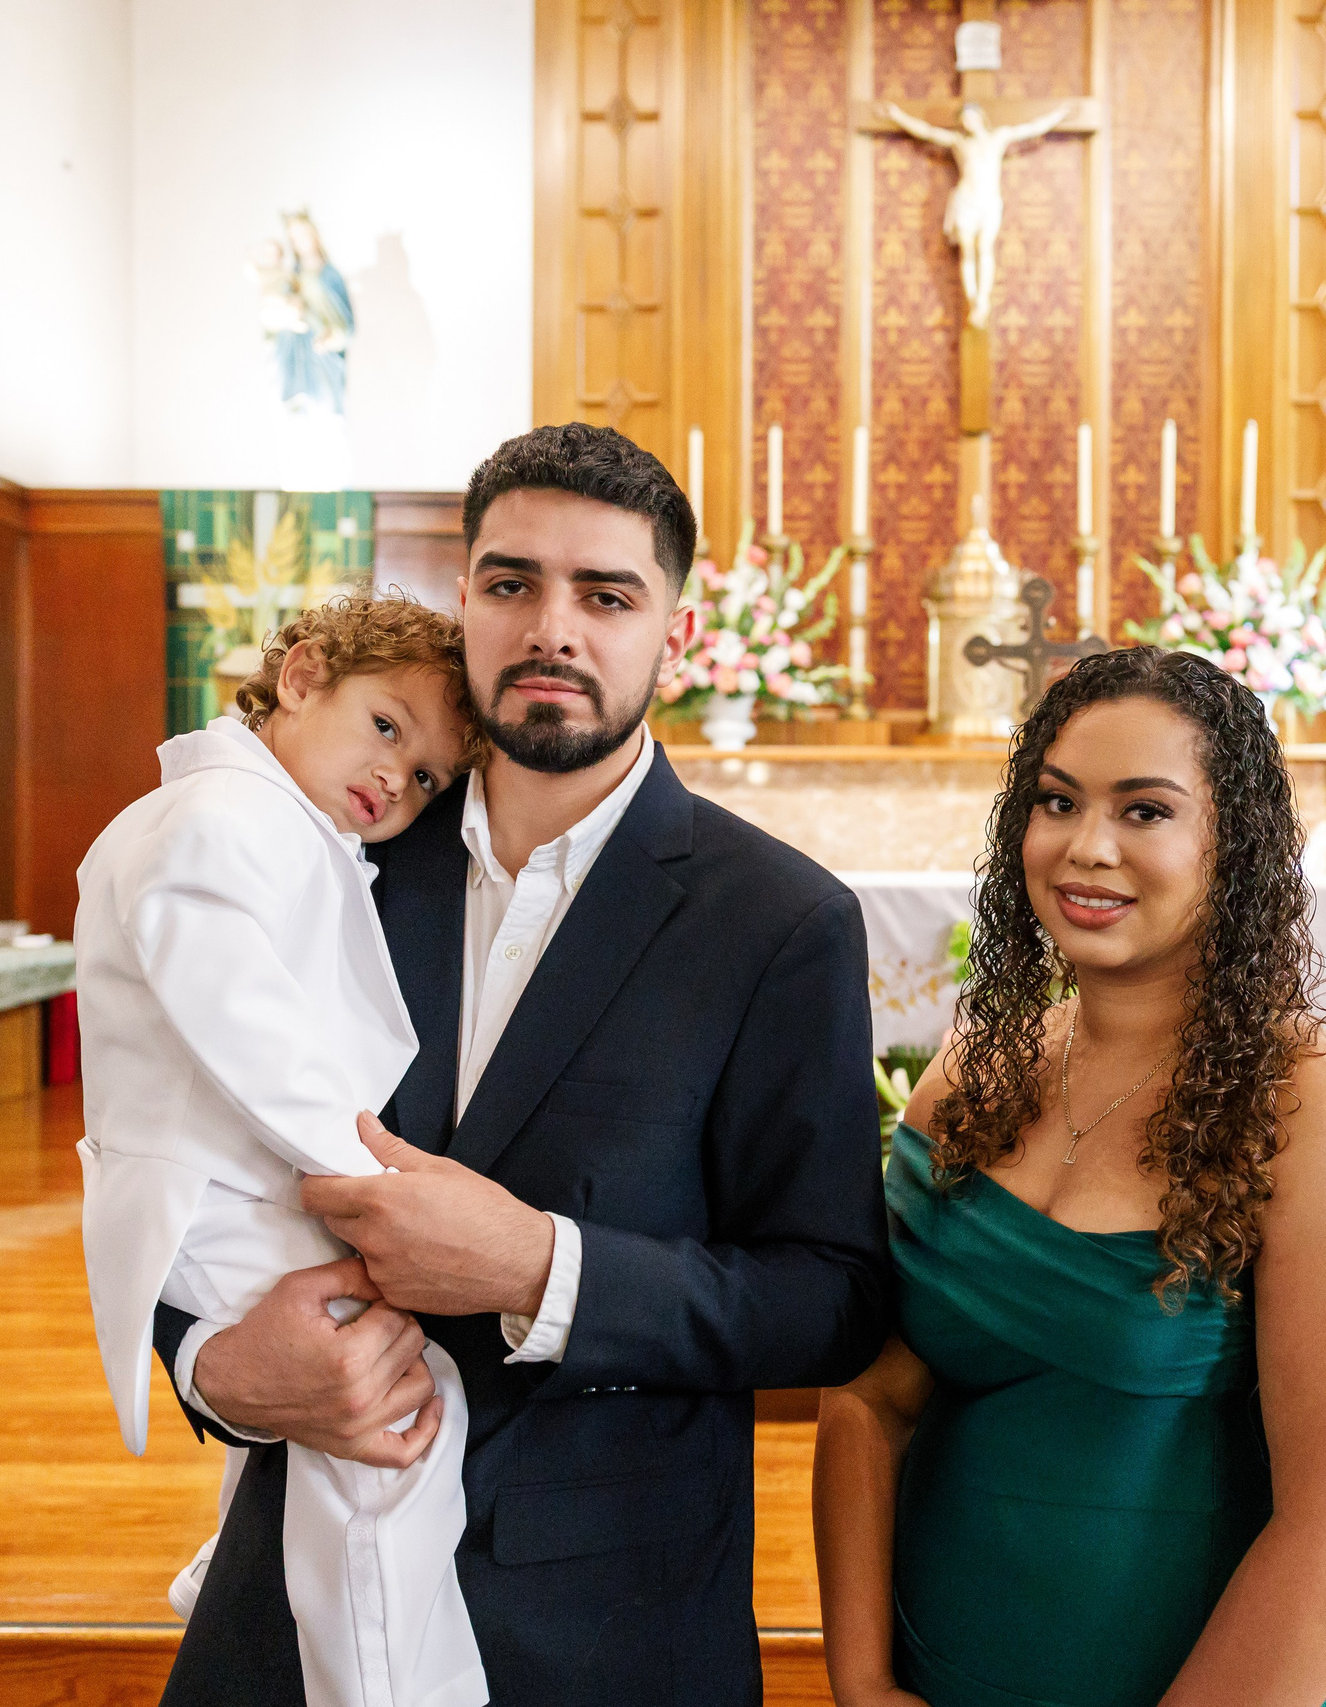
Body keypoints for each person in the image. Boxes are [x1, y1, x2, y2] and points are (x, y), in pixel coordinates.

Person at [147, 422, 893, 1707]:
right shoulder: (332, 852)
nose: (554, 627)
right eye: (512, 583)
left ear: (673, 626)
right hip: (299, 1602)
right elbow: (171, 1162)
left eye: (605, 594)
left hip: (606, 1619)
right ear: (465, 602)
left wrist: (541, 1269)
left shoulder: (777, 923)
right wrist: (216, 1366)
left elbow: (828, 1299)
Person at [813, 648, 1326, 1707]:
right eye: (1057, 802)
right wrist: (862, 1680)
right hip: (939, 1668)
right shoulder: (971, 1074)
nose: (1084, 848)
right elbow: (871, 1399)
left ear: (1231, 845)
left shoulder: (1313, 1109)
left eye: (1144, 812)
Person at [75, 596, 484, 1707]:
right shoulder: (217, 817)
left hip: (252, 1187)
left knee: (335, 1421)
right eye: (388, 728)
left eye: (431, 779)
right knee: (392, 1423)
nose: (400, 783)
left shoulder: (281, 820)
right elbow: (239, 1014)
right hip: (223, 1191)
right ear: (301, 676)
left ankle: (239, 1567)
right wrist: (372, 1170)